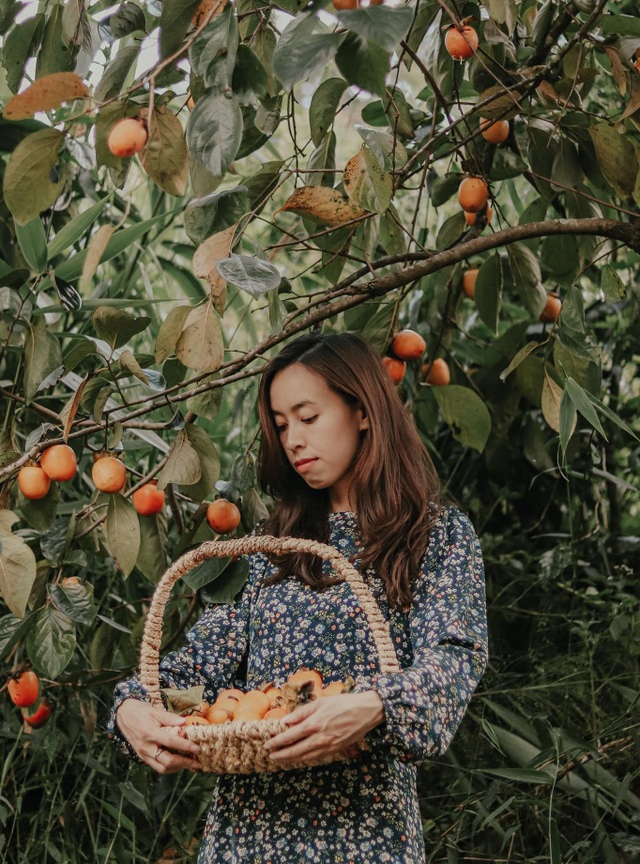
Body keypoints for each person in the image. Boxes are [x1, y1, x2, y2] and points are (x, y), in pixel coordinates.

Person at [108, 332, 488, 863]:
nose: (293, 440)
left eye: (308, 418)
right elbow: (198, 666)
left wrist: (377, 704)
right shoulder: (273, 545)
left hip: (366, 836)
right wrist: (131, 707)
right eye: (282, 425)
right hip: (246, 838)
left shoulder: (436, 535)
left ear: (362, 410)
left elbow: (454, 660)